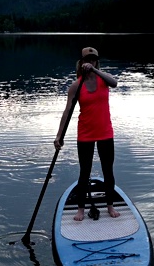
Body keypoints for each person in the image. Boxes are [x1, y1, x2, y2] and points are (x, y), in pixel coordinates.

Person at [54, 46, 120, 221]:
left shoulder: (104, 80)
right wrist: (59, 136)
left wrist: (96, 71)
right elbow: (67, 111)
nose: (90, 62)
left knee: (108, 170)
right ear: (82, 63)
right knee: (84, 171)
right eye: (87, 60)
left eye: (93, 60)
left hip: (105, 132)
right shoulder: (76, 86)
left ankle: (110, 206)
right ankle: (81, 210)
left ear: (96, 62)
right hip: (85, 133)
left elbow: (115, 83)